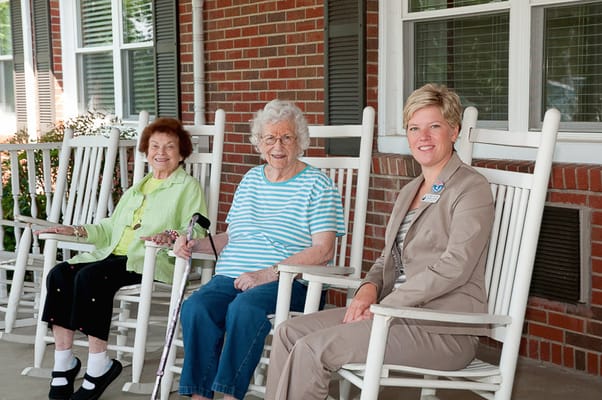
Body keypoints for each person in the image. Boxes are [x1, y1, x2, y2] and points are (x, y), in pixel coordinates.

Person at [264, 84, 496, 400]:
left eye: (434, 126)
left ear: (454, 131)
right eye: (414, 128)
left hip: (443, 329)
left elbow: (455, 266)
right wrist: (367, 291)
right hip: (395, 316)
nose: (423, 137)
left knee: (313, 349)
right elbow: (386, 260)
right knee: (290, 332)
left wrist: (385, 306)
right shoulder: (410, 191)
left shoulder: (471, 188)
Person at [172, 99, 346, 400]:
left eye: (286, 137)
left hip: (290, 281)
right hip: (233, 276)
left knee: (244, 307)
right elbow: (232, 236)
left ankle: (229, 394)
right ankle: (200, 395)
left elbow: (323, 250)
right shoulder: (251, 179)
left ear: (300, 141)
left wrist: (267, 274)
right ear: (259, 143)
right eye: (270, 138)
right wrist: (193, 245)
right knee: (196, 307)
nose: (278, 145)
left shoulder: (319, 185)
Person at [37, 118, 208, 400]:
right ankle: (64, 364)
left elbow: (197, 227)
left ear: (182, 152)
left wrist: (171, 235)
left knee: (90, 278)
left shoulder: (187, 186)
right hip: (112, 255)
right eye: (154, 146)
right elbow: (108, 229)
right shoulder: (138, 188)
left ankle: (98, 365)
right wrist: (75, 230)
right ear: (146, 150)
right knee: (60, 274)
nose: (161, 152)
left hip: (148, 259)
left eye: (169, 146)